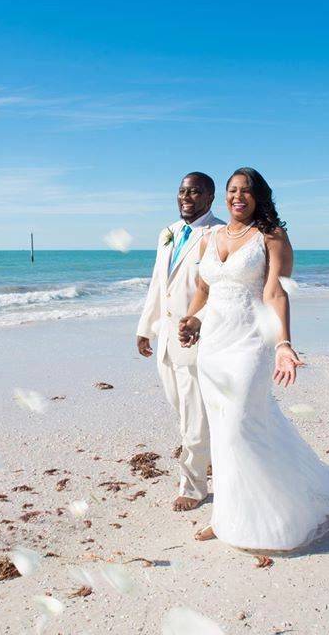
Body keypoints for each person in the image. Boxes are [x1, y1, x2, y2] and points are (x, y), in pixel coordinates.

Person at [178, 167, 329, 550]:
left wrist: (285, 344)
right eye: (232, 191)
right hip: (212, 350)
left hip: (251, 343)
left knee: (239, 425)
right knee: (223, 433)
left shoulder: (271, 237)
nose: (238, 197)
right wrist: (191, 319)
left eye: (246, 191)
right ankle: (224, 517)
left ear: (260, 196)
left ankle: (284, 510)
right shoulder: (210, 238)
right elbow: (204, 286)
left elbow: (276, 294)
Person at [137, 172, 225, 512]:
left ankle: (193, 486)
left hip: (198, 340)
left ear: (210, 198)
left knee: (194, 418)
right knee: (184, 411)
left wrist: (200, 322)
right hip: (166, 340)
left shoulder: (218, 234)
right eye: (182, 191)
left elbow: (220, 289)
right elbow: (159, 284)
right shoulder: (168, 233)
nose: (187, 196)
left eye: (195, 191)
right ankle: (210, 458)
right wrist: (146, 327)